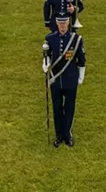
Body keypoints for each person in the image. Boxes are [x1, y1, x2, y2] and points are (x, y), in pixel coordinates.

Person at [42, 14, 86, 147]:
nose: (62, 26)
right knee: (57, 107)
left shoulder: (76, 39)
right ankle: (59, 135)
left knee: (69, 107)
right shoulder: (50, 39)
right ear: (56, 24)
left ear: (68, 23)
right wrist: (45, 64)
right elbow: (47, 56)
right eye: (60, 24)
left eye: (64, 23)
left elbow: (81, 59)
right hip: (56, 79)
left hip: (71, 78)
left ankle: (68, 134)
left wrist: (81, 75)